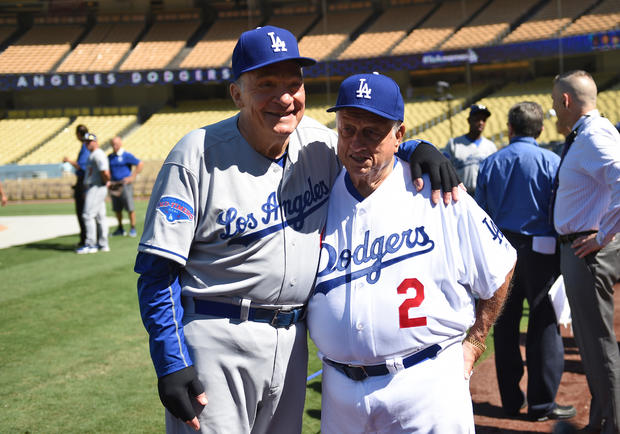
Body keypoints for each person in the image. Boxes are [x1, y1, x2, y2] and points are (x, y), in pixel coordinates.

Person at [134, 26, 461, 434]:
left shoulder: (318, 144)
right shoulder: (196, 154)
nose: (285, 98)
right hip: (218, 336)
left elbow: (368, 145)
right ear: (236, 93)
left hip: (292, 342)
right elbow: (156, 272)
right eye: (266, 84)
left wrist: (417, 148)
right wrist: (171, 362)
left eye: (294, 83)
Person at [306, 73, 516, 433]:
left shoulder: (438, 191)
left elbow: (500, 265)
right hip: (339, 393)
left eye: (371, 132)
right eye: (347, 129)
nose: (356, 142)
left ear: (398, 135)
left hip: (426, 385)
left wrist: (477, 341)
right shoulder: (318, 190)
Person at [475, 101, 576, 421]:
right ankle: (542, 404)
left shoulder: (491, 162)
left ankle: (510, 400)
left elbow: (480, 214)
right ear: (541, 129)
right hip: (541, 250)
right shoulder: (552, 161)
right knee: (544, 323)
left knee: (503, 324)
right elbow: (562, 210)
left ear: (510, 129)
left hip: (500, 249)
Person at [550, 70, 620, 434]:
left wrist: (604, 234)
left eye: (554, 104)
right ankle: (604, 420)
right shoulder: (589, 134)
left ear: (566, 101)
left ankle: (610, 425)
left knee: (596, 344)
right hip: (582, 249)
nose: (554, 113)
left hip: (587, 251)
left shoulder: (593, 134)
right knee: (592, 345)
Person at [444, 104, 496, 195]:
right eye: (477, 119)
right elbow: (445, 171)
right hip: (461, 194)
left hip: (484, 195)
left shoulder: (491, 146)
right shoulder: (454, 143)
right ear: (469, 120)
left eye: (483, 120)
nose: (481, 123)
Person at [76, 133, 110, 254]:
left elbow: (105, 172)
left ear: (96, 142)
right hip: (95, 186)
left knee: (88, 215)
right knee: (100, 217)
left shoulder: (98, 154)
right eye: (86, 141)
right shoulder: (93, 154)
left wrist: (106, 182)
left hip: (96, 186)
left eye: (90, 141)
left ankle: (91, 244)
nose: (87, 143)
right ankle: (103, 244)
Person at [108, 136, 143, 238]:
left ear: (120, 144)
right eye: (113, 144)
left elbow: (140, 164)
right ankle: (120, 228)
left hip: (125, 185)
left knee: (129, 207)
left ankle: (132, 228)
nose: (114, 146)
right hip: (114, 185)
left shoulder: (126, 155)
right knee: (117, 208)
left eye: (116, 144)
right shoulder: (110, 157)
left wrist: (132, 176)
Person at [63, 124, 91, 247]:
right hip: (85, 182)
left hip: (84, 182)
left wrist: (69, 161)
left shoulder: (85, 147)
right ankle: (87, 238)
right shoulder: (86, 146)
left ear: (79, 134)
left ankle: (86, 239)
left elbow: (82, 166)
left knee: (83, 212)